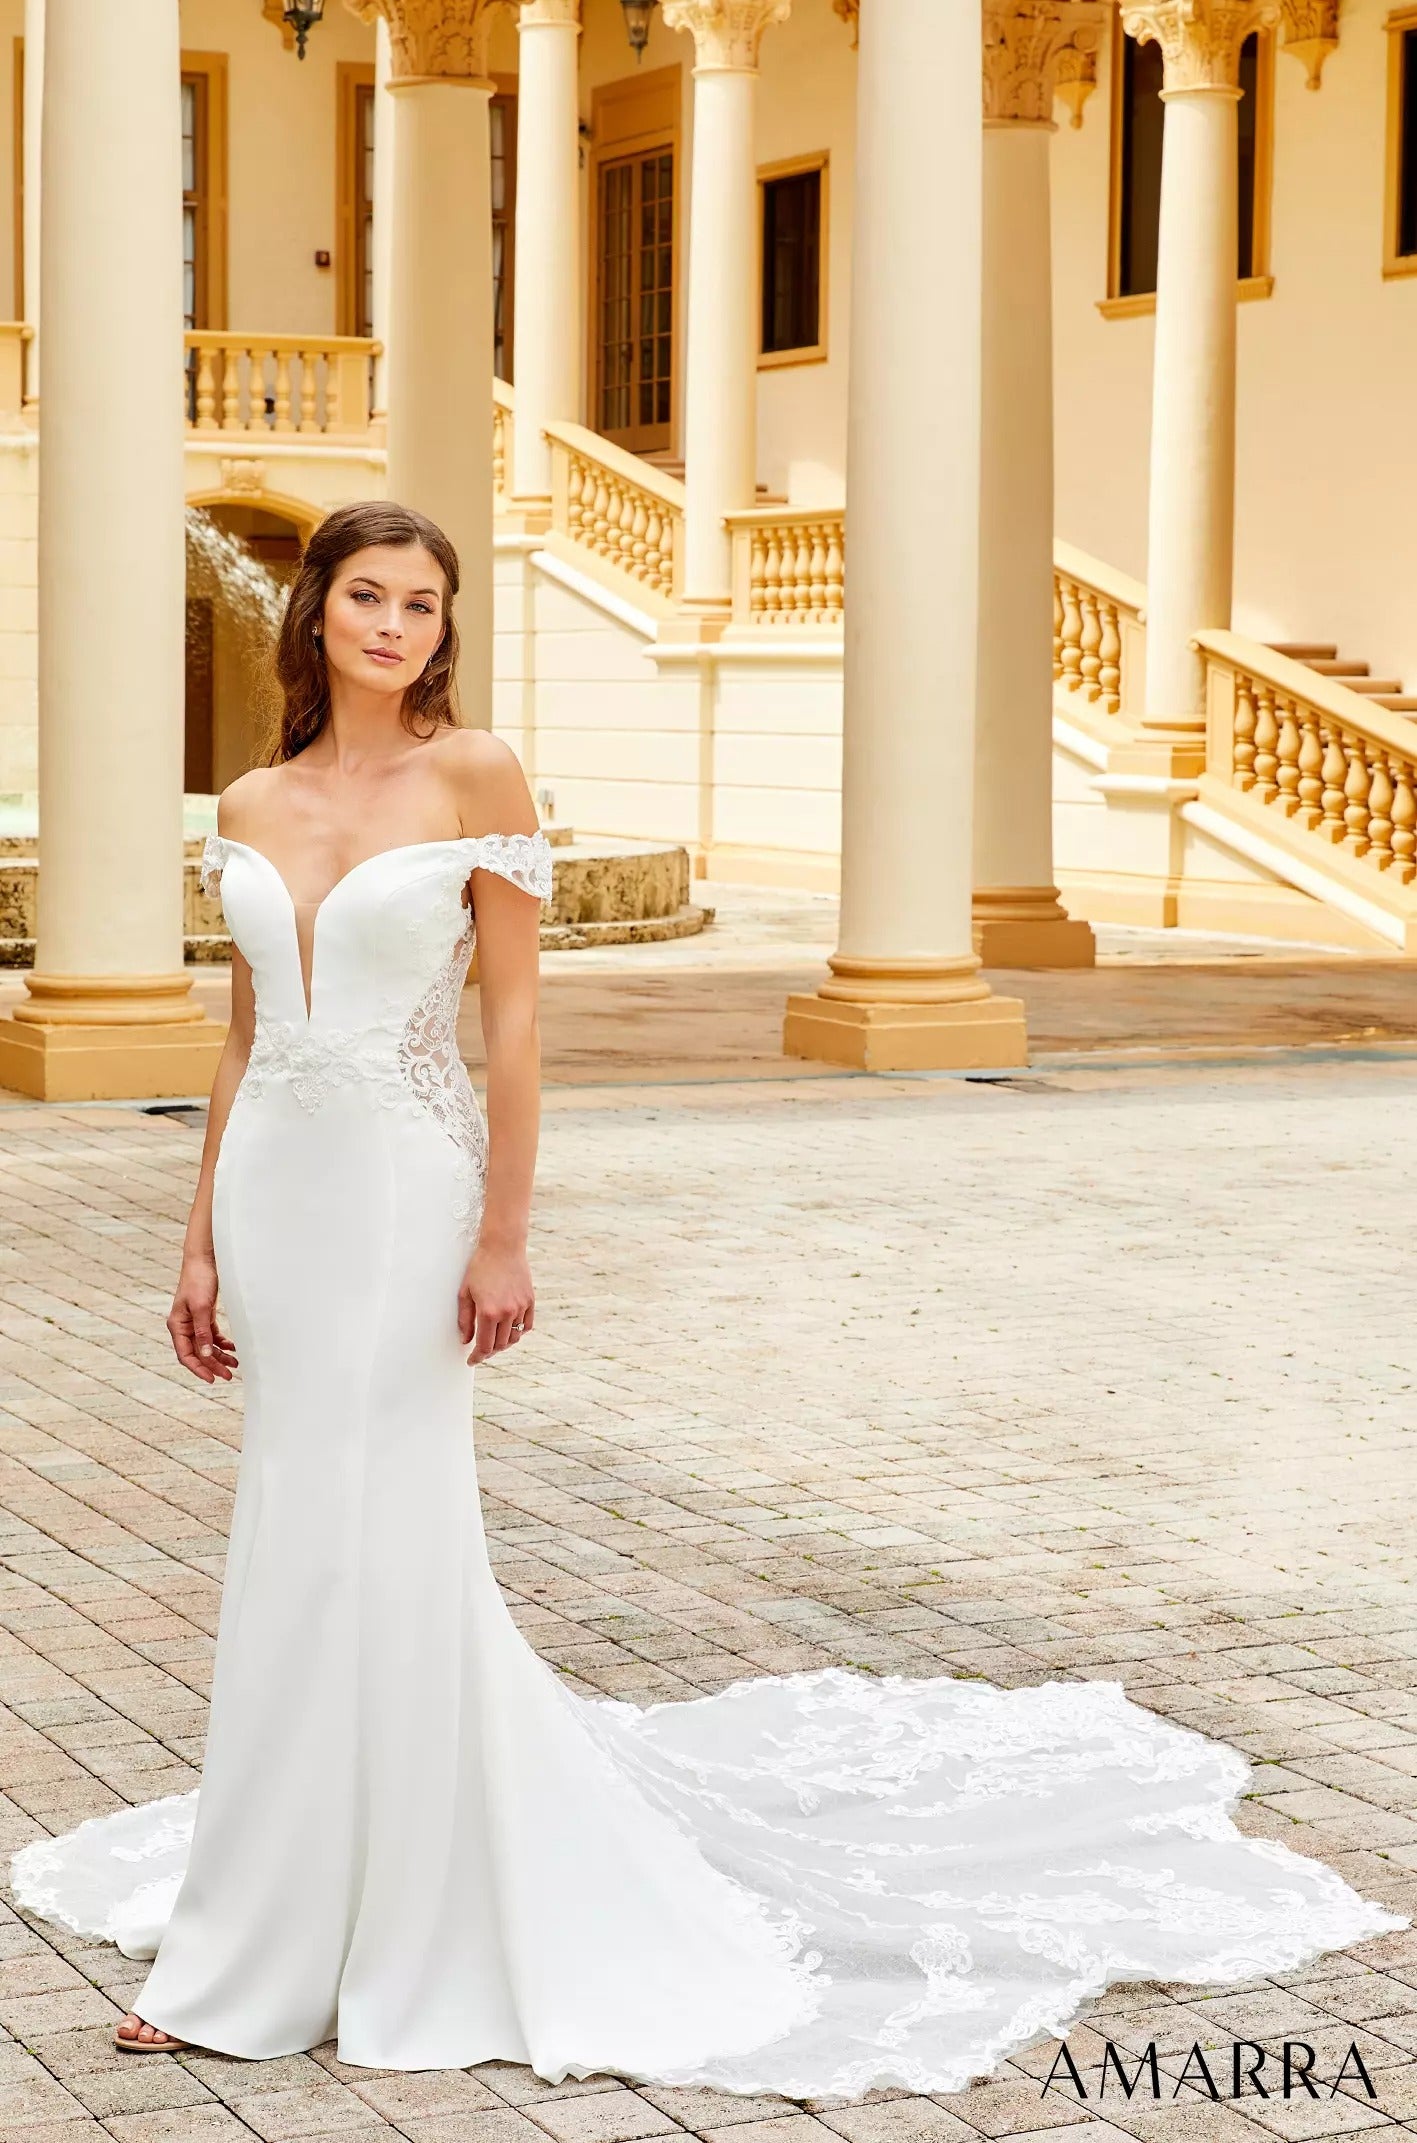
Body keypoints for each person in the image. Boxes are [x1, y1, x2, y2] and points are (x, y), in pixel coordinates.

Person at [10, 500, 1405, 2096]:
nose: (396, 626)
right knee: (287, 1535)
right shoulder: (251, 800)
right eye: (369, 596)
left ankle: (362, 1932)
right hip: (274, 1201)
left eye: (423, 605)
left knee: (386, 1530)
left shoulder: (477, 777)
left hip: (407, 1198)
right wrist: (194, 1242)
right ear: (315, 610)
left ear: (441, 631)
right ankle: (265, 1914)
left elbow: (517, 1035)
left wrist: (504, 1235)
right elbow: (246, 1039)